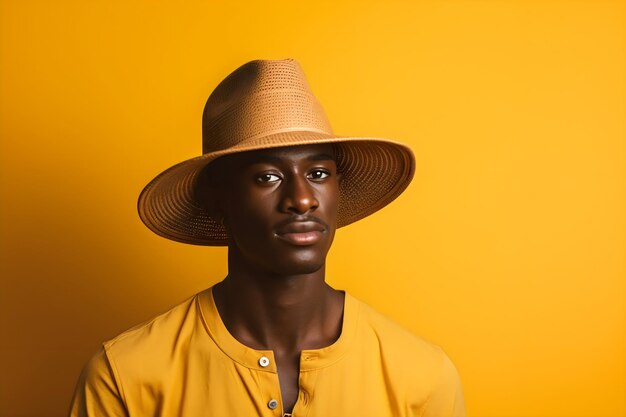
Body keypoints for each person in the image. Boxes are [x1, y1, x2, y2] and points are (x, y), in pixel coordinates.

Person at [69, 59, 466, 417]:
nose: (303, 199)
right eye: (267, 177)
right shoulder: (127, 377)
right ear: (218, 198)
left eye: (319, 174)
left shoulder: (421, 377)